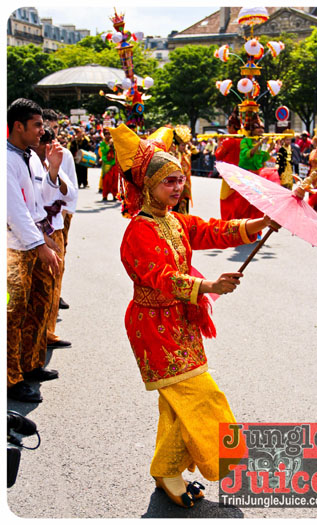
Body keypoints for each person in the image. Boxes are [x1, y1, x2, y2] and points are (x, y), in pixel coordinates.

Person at [111, 122, 280, 509]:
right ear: (149, 185)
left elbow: (212, 231)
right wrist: (209, 287)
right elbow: (160, 277)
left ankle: (166, 470)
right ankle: (219, 461)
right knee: (203, 396)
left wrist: (260, 223)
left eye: (179, 180)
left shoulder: (174, 221)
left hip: (180, 322)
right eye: (169, 181)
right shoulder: (138, 230)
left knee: (177, 404)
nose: (178, 188)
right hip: (153, 327)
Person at [7, 98, 62, 403]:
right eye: (37, 125)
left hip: (34, 239)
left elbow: (40, 200)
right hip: (12, 249)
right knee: (12, 312)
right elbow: (13, 210)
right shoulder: (6, 159)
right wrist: (40, 244)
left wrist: (52, 169)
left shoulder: (28, 156)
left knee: (39, 303)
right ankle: (10, 378)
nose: (43, 131)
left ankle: (29, 364)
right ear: (18, 126)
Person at [31, 127, 75, 349]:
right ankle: (35, 342)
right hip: (36, 234)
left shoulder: (53, 160)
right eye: (42, 141)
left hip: (54, 228)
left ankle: (47, 333)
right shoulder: (25, 161)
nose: (47, 146)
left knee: (53, 286)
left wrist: (54, 171)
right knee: (39, 291)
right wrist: (40, 238)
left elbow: (70, 194)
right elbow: (39, 202)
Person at [43, 108, 79, 312]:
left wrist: (64, 213)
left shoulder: (64, 154)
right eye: (48, 127)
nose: (52, 131)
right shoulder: (31, 152)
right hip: (41, 217)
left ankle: (56, 294)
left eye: (55, 127)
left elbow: (71, 187)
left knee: (59, 256)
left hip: (61, 214)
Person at [215, 108, 242, 220]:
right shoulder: (242, 140)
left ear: (231, 127)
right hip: (241, 173)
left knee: (225, 198)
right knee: (237, 198)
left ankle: (228, 221)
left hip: (229, 174)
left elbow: (218, 155)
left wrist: (219, 143)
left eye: (228, 126)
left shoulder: (228, 141)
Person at [170, 125, 197, 214]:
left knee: (185, 209)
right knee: (175, 208)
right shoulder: (173, 155)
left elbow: (197, 154)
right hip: (175, 185)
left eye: (185, 145)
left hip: (186, 186)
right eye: (182, 145)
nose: (184, 147)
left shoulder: (187, 154)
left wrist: (190, 144)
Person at [98, 128, 119, 201]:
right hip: (106, 163)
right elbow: (104, 152)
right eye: (106, 134)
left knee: (115, 180)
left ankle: (115, 195)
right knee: (106, 181)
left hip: (114, 163)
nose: (108, 135)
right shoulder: (102, 144)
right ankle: (105, 195)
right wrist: (109, 145)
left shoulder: (115, 142)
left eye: (109, 134)